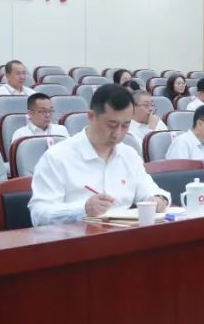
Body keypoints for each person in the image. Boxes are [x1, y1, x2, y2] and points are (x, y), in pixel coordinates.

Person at [29, 84, 170, 226]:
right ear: (91, 116)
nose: (118, 133)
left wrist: (158, 199)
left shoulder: (129, 154)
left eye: (125, 125)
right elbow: (39, 214)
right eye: (112, 125)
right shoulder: (57, 157)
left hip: (124, 234)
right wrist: (83, 209)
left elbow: (149, 189)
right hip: (77, 236)